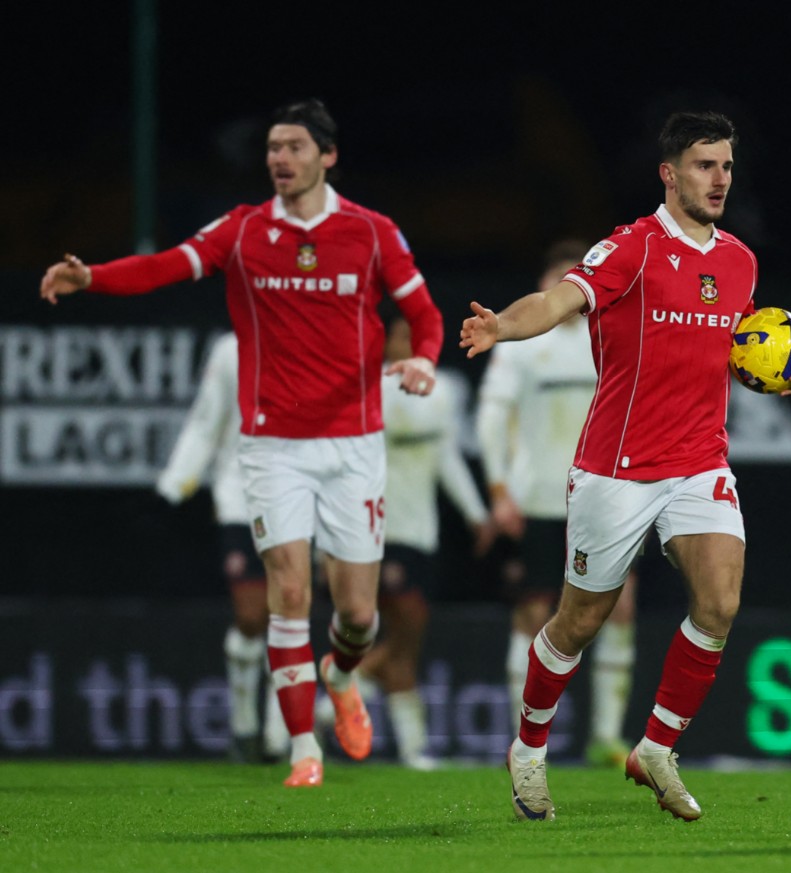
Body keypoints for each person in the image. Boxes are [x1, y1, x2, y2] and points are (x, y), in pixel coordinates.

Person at [39, 98, 446, 788]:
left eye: (292, 147)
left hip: (353, 442)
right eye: (271, 148)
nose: (279, 159)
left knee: (357, 614)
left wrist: (426, 358)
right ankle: (300, 750)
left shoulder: (372, 232)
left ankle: (339, 675)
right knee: (288, 593)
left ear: (327, 155)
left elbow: (423, 312)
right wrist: (93, 277)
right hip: (272, 446)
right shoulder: (242, 229)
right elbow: (165, 266)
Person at [460, 110, 791, 822]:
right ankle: (529, 746)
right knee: (578, 620)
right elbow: (559, 300)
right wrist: (503, 325)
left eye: (725, 165)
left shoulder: (740, 261)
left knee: (720, 601)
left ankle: (657, 745)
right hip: (617, 468)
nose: (719, 178)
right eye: (703, 165)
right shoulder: (630, 247)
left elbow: (742, 344)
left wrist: (785, 370)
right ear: (669, 173)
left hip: (698, 462)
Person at [476, 238, 641, 770]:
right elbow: (490, 419)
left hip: (604, 498)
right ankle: (519, 739)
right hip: (540, 500)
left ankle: (606, 738)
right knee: (532, 615)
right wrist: (500, 490)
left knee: (621, 611)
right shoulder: (520, 346)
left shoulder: (610, 337)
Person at [315, 315, 494, 768]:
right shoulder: (365, 390)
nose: (410, 346)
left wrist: (476, 515)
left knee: (407, 637)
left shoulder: (441, 392)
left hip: (420, 531)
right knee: (399, 625)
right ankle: (354, 707)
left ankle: (409, 745)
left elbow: (447, 458)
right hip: (371, 526)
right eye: (401, 338)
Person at [155, 329, 291, 764]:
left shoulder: (315, 337)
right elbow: (207, 419)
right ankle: (243, 723)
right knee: (252, 615)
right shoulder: (231, 350)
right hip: (239, 496)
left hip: (297, 499)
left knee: (288, 611)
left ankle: (277, 735)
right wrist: (175, 484)